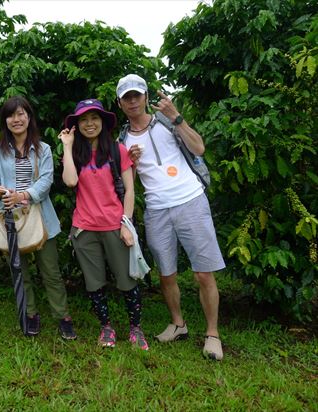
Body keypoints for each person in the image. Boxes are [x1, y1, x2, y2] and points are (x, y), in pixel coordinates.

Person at [116, 74, 226, 360]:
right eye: (126, 97)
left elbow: (199, 148)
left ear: (145, 97)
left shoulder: (165, 120)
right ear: (120, 103)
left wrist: (177, 117)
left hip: (190, 199)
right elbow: (129, 185)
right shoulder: (122, 140)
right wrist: (134, 164)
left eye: (137, 95)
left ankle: (212, 333)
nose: (132, 101)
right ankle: (178, 324)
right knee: (167, 274)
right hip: (156, 209)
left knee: (203, 273)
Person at [59, 99, 148, 350]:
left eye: (94, 118)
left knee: (127, 281)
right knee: (94, 283)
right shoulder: (76, 153)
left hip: (114, 225)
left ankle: (136, 329)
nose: (90, 124)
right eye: (84, 120)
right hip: (85, 228)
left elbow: (130, 190)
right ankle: (106, 327)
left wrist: (126, 224)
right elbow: (70, 182)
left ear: (103, 122)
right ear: (77, 124)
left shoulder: (117, 150)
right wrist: (66, 147)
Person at [0, 96, 77, 340]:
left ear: (29, 117)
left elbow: (46, 181)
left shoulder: (44, 148)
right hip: (10, 220)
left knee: (51, 271)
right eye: (11, 115)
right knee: (20, 271)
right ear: (5, 121)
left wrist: (23, 195)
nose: (16, 119)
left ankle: (62, 316)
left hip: (41, 217)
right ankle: (31, 313)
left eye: (21, 114)